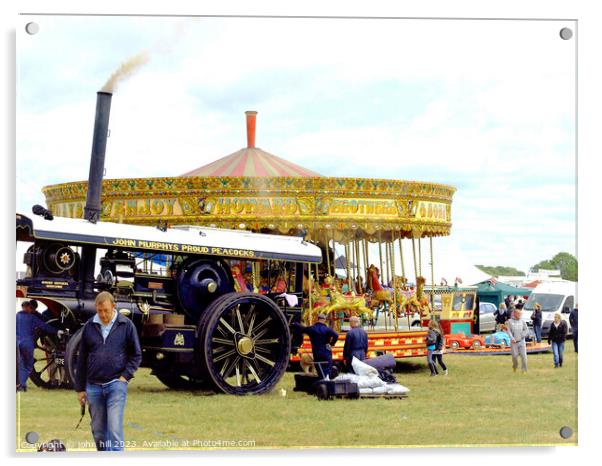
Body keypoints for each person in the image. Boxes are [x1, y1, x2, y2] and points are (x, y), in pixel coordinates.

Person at [74, 292, 142, 451]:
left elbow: (136, 355)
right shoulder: (89, 326)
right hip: (93, 387)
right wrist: (80, 389)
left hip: (116, 385)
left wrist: (125, 377)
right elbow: (82, 358)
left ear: (113, 306)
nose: (103, 314)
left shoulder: (126, 325)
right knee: (98, 431)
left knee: (114, 428)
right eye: (99, 311)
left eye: (106, 310)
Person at [16, 300, 61, 392]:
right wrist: (57, 331)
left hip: (16, 343)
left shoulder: (16, 316)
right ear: (28, 308)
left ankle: (18, 384)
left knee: (19, 364)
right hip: (27, 343)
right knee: (28, 365)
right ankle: (21, 385)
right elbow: (45, 326)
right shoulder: (32, 317)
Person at [292, 313, 338, 379]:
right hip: (326, 352)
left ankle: (322, 380)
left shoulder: (312, 329)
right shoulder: (328, 329)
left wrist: (295, 324)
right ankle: (326, 381)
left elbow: (302, 329)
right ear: (324, 320)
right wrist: (331, 344)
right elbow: (336, 335)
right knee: (327, 368)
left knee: (319, 369)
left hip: (317, 352)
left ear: (317, 319)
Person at [505, 307, 529, 373]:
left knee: (524, 357)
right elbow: (508, 331)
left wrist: (522, 335)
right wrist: (512, 338)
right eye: (518, 314)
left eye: (520, 314)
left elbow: (526, 330)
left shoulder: (522, 321)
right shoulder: (510, 321)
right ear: (515, 314)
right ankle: (515, 366)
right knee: (515, 357)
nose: (520, 316)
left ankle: (524, 370)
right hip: (514, 343)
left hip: (521, 341)